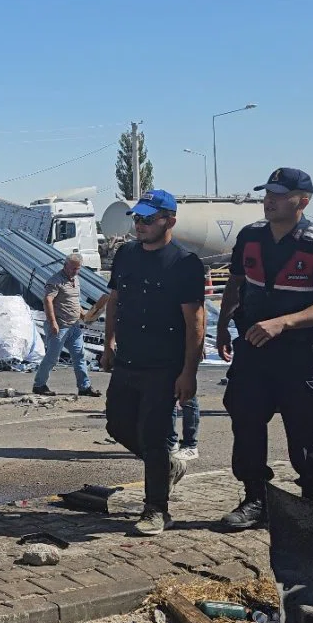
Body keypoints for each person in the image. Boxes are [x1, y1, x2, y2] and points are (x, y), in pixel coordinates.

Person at [216, 168, 313, 529]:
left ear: (302, 201)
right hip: (253, 352)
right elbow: (235, 284)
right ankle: (255, 499)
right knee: (244, 420)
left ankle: (310, 500)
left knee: (308, 434)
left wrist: (285, 322)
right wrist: (221, 327)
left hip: (302, 355)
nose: (269, 200)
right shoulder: (251, 237)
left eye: (279, 194)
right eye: (267, 193)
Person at [102, 189, 207, 536]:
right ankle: (166, 466)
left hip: (164, 366)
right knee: (117, 425)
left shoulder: (184, 263)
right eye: (137, 218)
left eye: (148, 219)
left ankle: (156, 509)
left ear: (169, 221)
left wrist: (188, 373)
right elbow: (114, 301)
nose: (140, 225)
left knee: (155, 435)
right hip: (128, 360)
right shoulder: (126, 255)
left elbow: (195, 321)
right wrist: (108, 344)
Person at [86, 294, 199, 459]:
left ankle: (190, 443)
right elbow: (113, 300)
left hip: (179, 348)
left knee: (187, 399)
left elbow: (196, 315)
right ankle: (170, 441)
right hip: (156, 352)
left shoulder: (180, 278)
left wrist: (195, 350)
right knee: (167, 400)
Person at [32, 252, 100, 397]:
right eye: (72, 268)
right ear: (65, 265)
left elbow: (75, 302)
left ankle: (84, 387)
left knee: (79, 356)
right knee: (52, 358)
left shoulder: (76, 280)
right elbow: (48, 300)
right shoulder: (55, 280)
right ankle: (39, 385)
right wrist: (53, 323)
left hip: (74, 326)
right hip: (59, 326)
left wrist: (84, 315)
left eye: (77, 269)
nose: (74, 271)